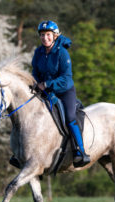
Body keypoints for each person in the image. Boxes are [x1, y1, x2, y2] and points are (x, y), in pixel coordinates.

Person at [32, 20, 90, 167]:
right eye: (42, 35)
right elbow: (35, 72)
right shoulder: (38, 52)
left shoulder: (62, 52)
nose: (45, 38)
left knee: (70, 117)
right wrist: (36, 83)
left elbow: (66, 78)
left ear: (55, 36)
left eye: (48, 35)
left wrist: (47, 84)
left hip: (64, 91)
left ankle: (80, 151)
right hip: (45, 91)